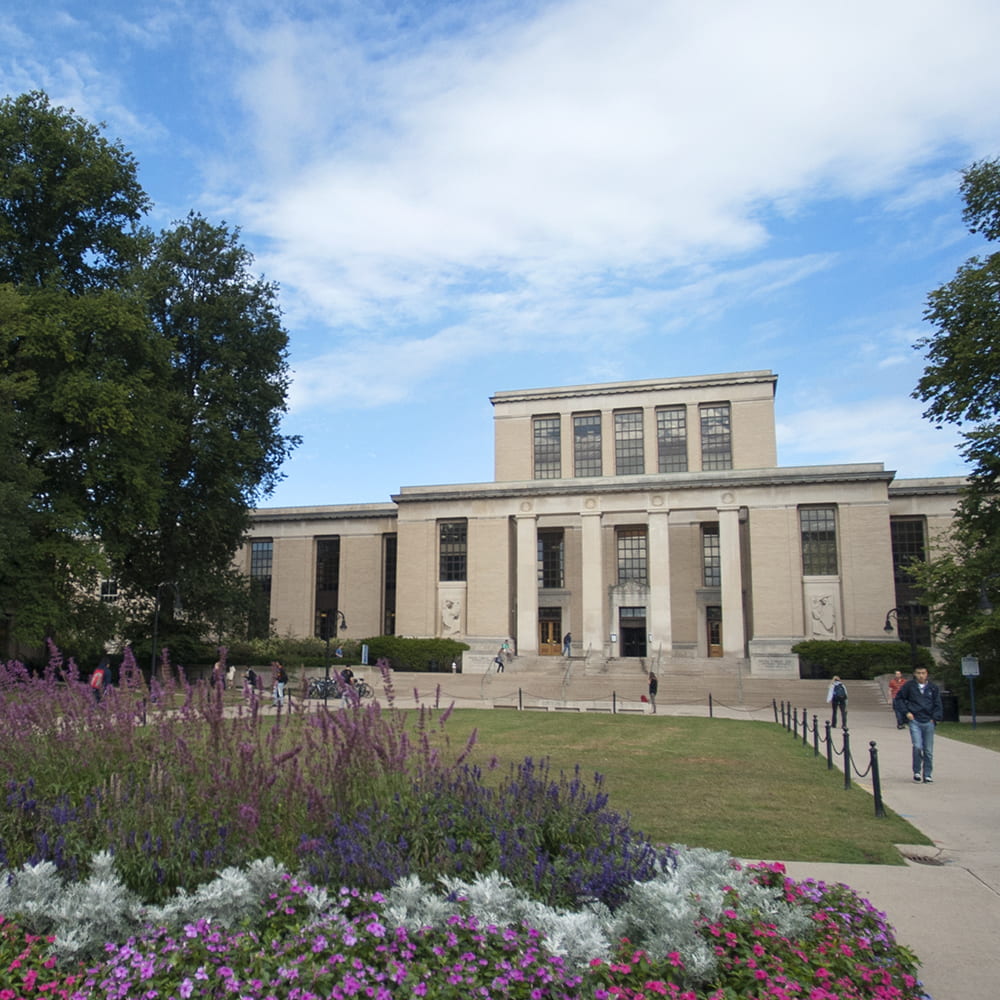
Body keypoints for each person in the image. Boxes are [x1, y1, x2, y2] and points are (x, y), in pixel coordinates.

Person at [895, 665, 943, 783]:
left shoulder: (932, 688)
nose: (921, 675)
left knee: (928, 749)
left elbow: (938, 703)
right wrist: (906, 712)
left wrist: (935, 718)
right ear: (915, 674)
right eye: (918, 673)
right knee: (917, 746)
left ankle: (927, 774)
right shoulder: (909, 686)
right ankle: (916, 771)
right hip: (915, 720)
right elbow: (899, 699)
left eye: (923, 673)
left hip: (928, 721)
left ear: (927, 674)